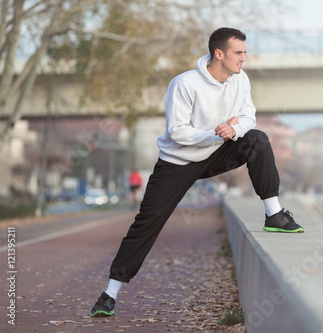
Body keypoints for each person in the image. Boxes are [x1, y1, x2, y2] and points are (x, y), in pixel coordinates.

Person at [90, 27, 304, 317]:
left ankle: (274, 213)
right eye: (238, 52)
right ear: (219, 54)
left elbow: (248, 116)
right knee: (147, 221)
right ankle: (109, 293)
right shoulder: (184, 84)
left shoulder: (240, 80)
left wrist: (234, 129)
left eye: (244, 52)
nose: (244, 58)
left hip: (217, 150)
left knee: (258, 140)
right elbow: (178, 132)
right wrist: (218, 135)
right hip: (178, 162)